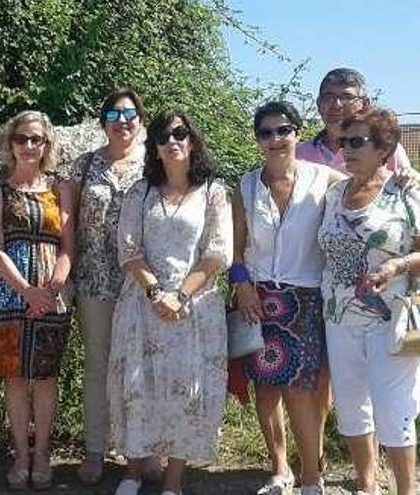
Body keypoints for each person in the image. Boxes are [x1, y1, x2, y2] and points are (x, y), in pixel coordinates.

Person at [109, 110, 231, 495]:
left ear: (193, 141)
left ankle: (173, 481)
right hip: (142, 305)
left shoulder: (213, 191)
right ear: (155, 147)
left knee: (186, 390)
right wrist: (154, 292)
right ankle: (131, 472)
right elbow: (128, 250)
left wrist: (179, 295)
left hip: (193, 307)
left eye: (180, 133)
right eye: (163, 136)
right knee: (136, 387)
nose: (172, 141)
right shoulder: (139, 192)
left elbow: (216, 252)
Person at [232, 101, 345, 495]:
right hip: (258, 297)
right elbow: (235, 249)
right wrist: (242, 285)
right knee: (266, 390)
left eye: (283, 130)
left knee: (302, 391)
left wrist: (408, 182)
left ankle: (312, 477)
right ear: (258, 140)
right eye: (266, 132)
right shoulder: (245, 185)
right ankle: (280, 470)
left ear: (297, 133)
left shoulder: (325, 178)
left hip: (306, 297)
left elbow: (371, 183)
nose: (275, 139)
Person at [318, 108, 420, 495]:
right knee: (351, 407)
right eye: (344, 141)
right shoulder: (333, 194)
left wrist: (396, 266)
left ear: (384, 148)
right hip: (338, 317)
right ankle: (367, 487)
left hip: (390, 319)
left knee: (394, 409)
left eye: (358, 141)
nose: (347, 149)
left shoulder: (405, 191)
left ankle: (406, 490)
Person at [0, 110, 74, 491]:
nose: (29, 145)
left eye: (37, 139)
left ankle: (42, 454)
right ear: (11, 143)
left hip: (51, 295)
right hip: (11, 293)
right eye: (22, 138)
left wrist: (52, 287)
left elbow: (70, 246)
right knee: (17, 378)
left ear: (47, 145)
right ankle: (21, 453)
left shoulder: (61, 189)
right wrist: (26, 291)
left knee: (46, 377)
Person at [69, 88, 149, 485]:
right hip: (94, 281)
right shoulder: (84, 167)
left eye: (131, 114)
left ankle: (144, 450)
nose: (123, 122)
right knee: (99, 366)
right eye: (115, 115)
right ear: (103, 123)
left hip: (142, 282)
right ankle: (95, 450)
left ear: (141, 121)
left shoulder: (154, 167)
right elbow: (68, 225)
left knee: (141, 365)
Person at [297, 67, 413, 173]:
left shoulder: (383, 150)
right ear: (319, 104)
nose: (336, 105)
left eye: (346, 97)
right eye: (328, 97)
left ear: (365, 104)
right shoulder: (298, 155)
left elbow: (410, 187)